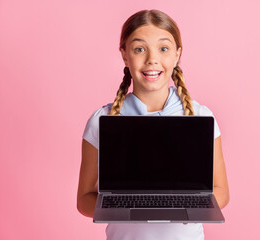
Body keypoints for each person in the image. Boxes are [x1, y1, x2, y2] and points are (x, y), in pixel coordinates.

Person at [77, 9, 230, 240]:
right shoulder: (103, 120)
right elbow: (84, 199)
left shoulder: (200, 116)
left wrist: (188, 208)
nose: (152, 59)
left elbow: (222, 192)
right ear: (125, 55)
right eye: (139, 49)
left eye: (164, 48)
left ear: (177, 54)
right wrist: (124, 207)